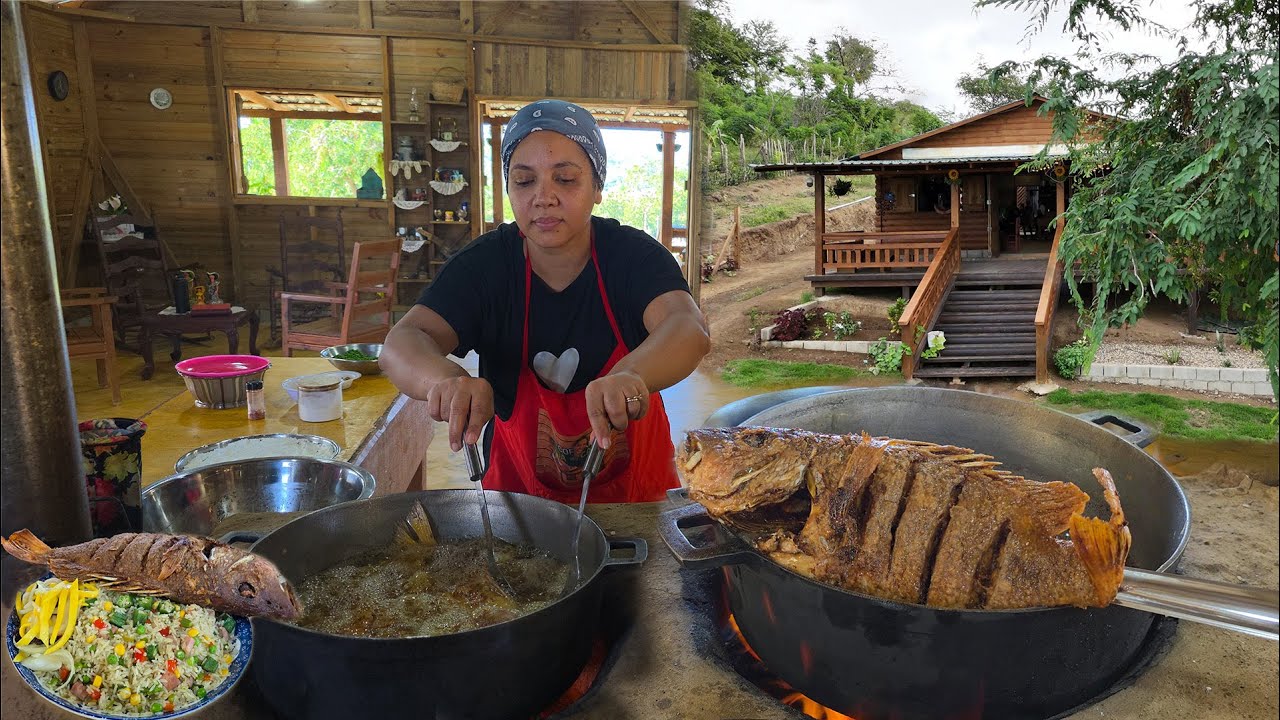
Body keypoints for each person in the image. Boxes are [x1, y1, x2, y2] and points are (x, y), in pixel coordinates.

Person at [381, 100, 710, 503]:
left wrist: (632, 374)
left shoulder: (633, 257)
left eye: (565, 179)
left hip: (638, 509)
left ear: (597, 187)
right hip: (520, 510)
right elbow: (403, 342)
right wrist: (446, 380)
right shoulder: (485, 266)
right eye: (524, 181)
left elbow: (687, 327)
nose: (543, 197)